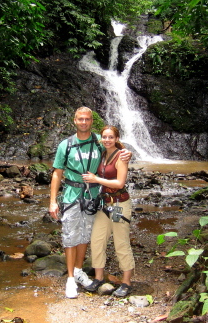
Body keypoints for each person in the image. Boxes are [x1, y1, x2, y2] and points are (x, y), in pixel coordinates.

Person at [49, 107, 131, 299]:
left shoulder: (99, 141)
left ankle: (78, 270)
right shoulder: (66, 145)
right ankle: (70, 279)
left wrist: (128, 154)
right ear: (74, 121)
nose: (84, 122)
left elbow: (115, 151)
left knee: (85, 236)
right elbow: (57, 173)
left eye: (87, 119)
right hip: (71, 196)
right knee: (70, 236)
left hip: (94, 197)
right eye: (80, 119)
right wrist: (53, 201)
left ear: (92, 121)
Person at [81, 125, 135, 297]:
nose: (107, 140)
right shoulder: (102, 154)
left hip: (120, 203)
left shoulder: (121, 156)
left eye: (111, 137)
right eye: (104, 137)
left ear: (117, 139)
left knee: (121, 243)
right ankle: (98, 277)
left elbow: (120, 183)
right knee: (97, 240)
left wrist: (96, 179)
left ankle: (126, 282)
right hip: (104, 205)